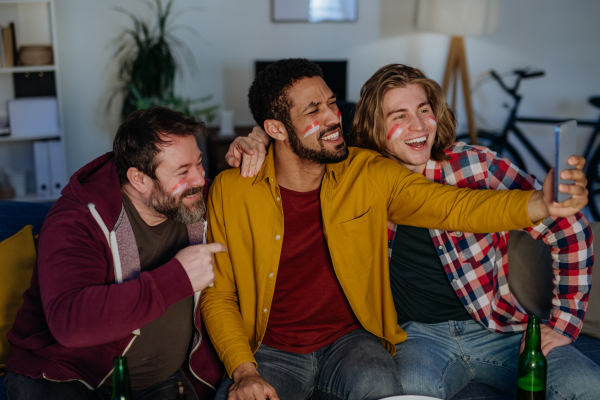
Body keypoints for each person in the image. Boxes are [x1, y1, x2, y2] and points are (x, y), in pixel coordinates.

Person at [202, 58, 588, 400]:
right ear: (276, 128)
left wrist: (540, 203)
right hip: (306, 347)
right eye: (315, 110)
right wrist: (244, 369)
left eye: (333, 103)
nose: (334, 116)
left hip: (399, 336)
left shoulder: (373, 172)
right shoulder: (237, 189)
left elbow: (454, 206)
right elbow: (218, 294)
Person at [5, 107, 225, 400]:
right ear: (138, 178)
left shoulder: (196, 200)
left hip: (160, 380)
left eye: (199, 164)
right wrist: (177, 279)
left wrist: (259, 149)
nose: (199, 179)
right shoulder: (75, 220)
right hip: (64, 375)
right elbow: (69, 323)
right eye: (183, 171)